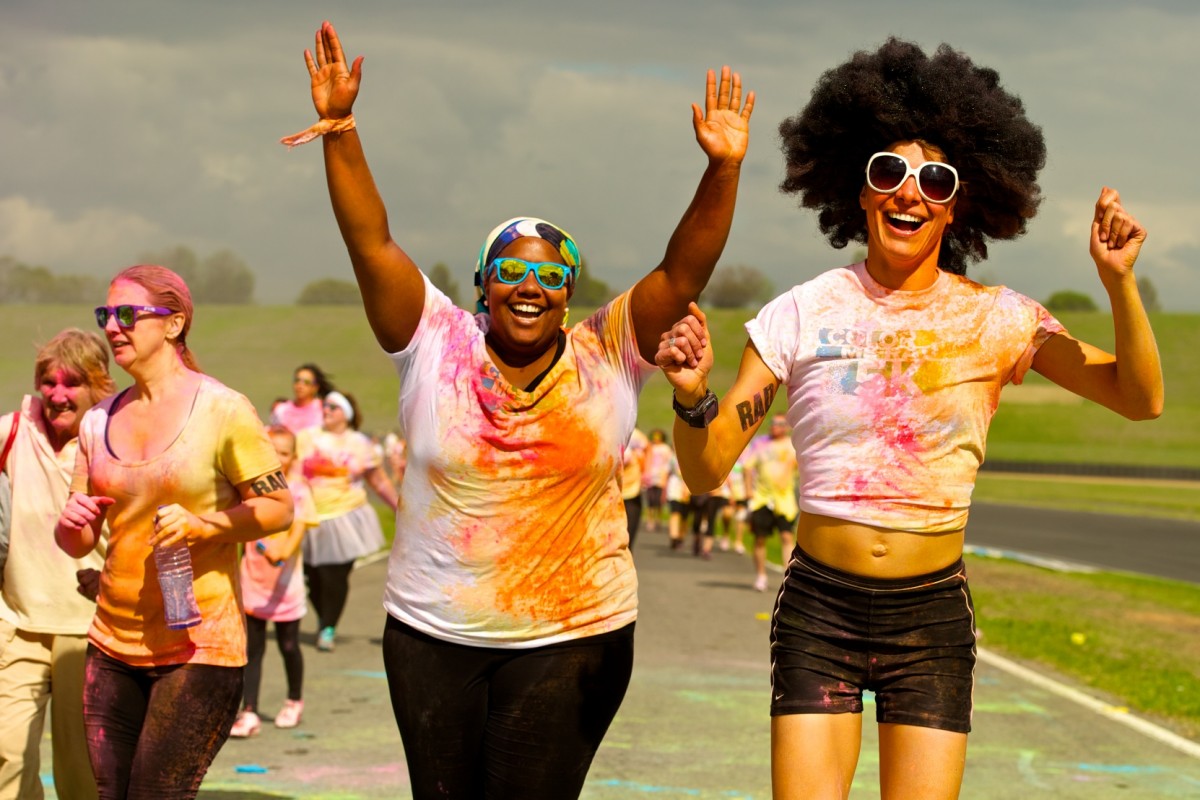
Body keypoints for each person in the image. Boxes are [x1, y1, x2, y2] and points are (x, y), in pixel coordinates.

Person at [655, 39, 1162, 800]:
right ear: (858, 192)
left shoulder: (999, 319)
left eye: (934, 179)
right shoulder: (801, 311)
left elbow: (1137, 396)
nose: (909, 192)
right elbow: (702, 469)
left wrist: (1119, 284)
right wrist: (693, 396)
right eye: (887, 172)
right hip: (819, 610)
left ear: (958, 204)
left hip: (929, 619)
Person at [284, 19, 753, 798]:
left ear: (569, 294)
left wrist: (724, 170)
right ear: (482, 283)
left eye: (551, 275)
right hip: (433, 633)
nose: (529, 285)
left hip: (576, 633)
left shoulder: (609, 346)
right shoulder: (433, 337)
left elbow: (683, 268)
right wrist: (339, 128)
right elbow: (372, 244)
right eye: (509, 270)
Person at [54, 265, 294, 799]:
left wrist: (204, 524)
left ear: (174, 323)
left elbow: (278, 509)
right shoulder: (97, 421)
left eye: (127, 315)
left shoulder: (223, 410)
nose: (112, 327)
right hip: (111, 645)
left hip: (199, 648)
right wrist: (73, 525)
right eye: (105, 315)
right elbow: (78, 540)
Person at [0, 329, 115, 800]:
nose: (57, 394)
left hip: (88, 627)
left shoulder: (115, 437)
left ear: (97, 386)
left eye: (71, 383)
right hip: (15, 623)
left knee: (82, 766)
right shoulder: (12, 430)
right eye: (48, 382)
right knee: (6, 754)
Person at [230, 425, 318, 738]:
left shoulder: (298, 490)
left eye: (283, 452)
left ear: (293, 456)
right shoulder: (252, 487)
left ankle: (294, 699)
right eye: (272, 450)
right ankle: (249, 710)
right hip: (253, 583)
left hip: (284, 589)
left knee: (289, 645)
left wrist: (282, 550)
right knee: (252, 650)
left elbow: (298, 531)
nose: (277, 458)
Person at [296, 390, 396, 652]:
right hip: (311, 517)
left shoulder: (360, 444)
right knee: (312, 577)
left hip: (347, 518)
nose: (326, 410)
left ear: (346, 415)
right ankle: (323, 616)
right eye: (325, 405)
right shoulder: (306, 438)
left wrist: (399, 507)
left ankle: (328, 626)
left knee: (335, 576)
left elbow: (379, 481)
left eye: (333, 407)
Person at [743, 414, 799, 591]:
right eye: (773, 423)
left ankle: (787, 577)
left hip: (785, 499)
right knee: (760, 538)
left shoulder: (793, 445)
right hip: (762, 498)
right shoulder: (760, 444)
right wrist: (748, 491)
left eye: (780, 424)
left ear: (787, 427)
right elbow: (747, 467)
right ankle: (761, 575)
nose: (775, 426)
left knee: (786, 536)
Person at [271, 363, 335, 434]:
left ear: (315, 387)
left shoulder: (323, 409)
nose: (300, 385)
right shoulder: (281, 410)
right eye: (297, 380)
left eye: (306, 382)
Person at [620, 428, 649, 548]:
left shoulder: (635, 434)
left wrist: (646, 473)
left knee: (629, 532)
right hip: (609, 491)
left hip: (631, 489)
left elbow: (648, 449)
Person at [641, 429, 673, 533]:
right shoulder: (650, 447)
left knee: (659, 500)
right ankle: (650, 519)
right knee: (650, 500)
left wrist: (665, 477)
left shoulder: (666, 449)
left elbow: (668, 463)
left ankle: (658, 518)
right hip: (650, 476)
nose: (656, 439)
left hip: (660, 476)